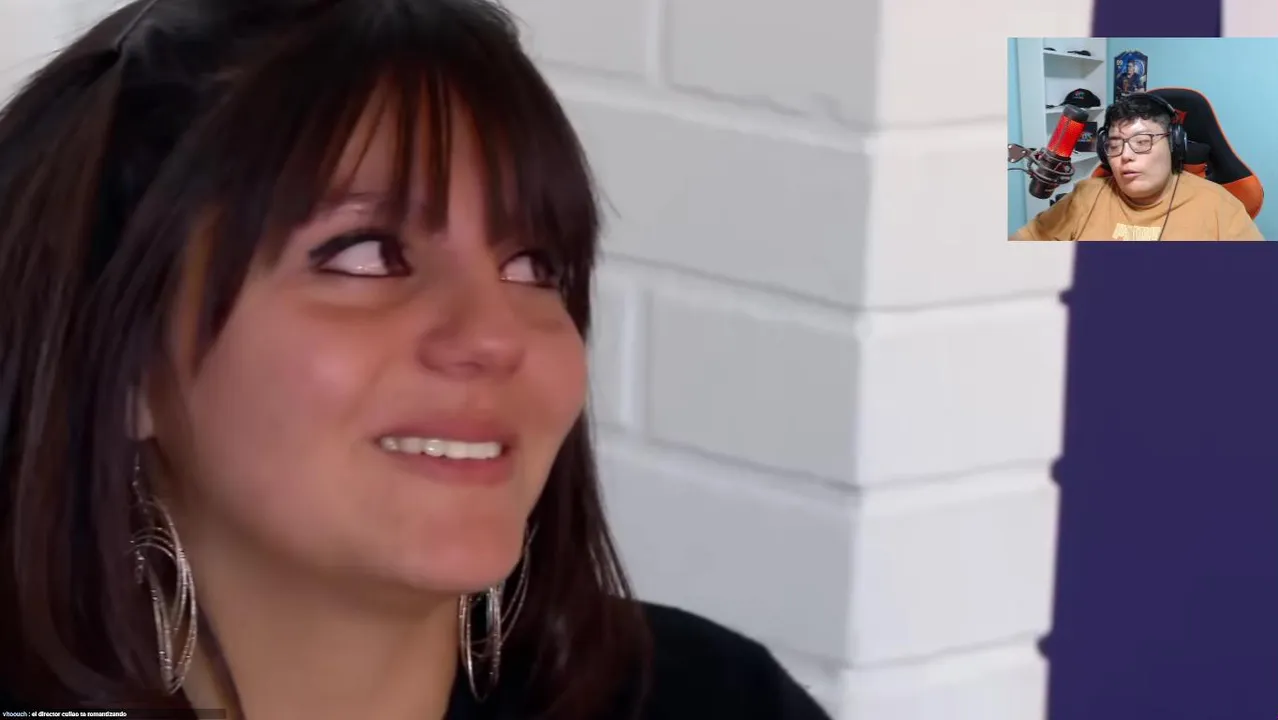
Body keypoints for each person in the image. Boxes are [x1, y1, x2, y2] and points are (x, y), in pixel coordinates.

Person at [0, 1, 832, 718]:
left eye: (535, 267)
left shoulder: (712, 700)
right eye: (364, 254)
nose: (496, 335)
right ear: (125, 363)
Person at [1012, 93, 1263, 241]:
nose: (1125, 156)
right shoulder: (1085, 196)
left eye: (1142, 142)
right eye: (1114, 145)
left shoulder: (1219, 205)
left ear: (1174, 145)